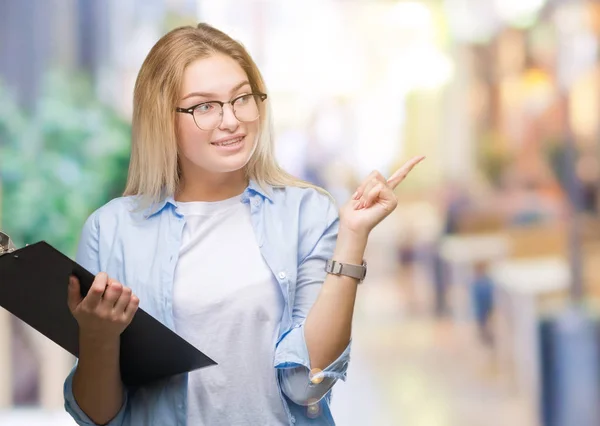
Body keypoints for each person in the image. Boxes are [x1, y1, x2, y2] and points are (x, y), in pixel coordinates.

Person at [63, 23, 424, 426]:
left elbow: (308, 385)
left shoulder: (308, 214)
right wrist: (97, 339)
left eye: (241, 98)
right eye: (204, 106)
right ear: (161, 117)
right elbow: (98, 417)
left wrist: (353, 235)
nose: (232, 120)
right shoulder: (111, 230)